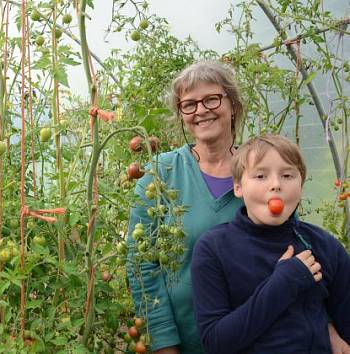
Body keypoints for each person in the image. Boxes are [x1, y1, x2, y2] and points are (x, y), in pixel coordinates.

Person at [125, 61, 349, 354]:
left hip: (259, 338)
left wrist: (326, 324)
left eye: (212, 99)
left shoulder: (260, 172)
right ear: (181, 114)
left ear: (233, 104)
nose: (201, 110)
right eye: (189, 104)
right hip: (187, 338)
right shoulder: (159, 175)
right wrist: (164, 343)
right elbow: (141, 265)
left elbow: (295, 252)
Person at [191, 134, 350, 353]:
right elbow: (217, 342)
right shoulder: (213, 248)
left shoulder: (324, 245)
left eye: (287, 175)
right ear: (238, 187)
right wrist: (284, 283)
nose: (276, 185)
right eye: (260, 176)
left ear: (301, 186)